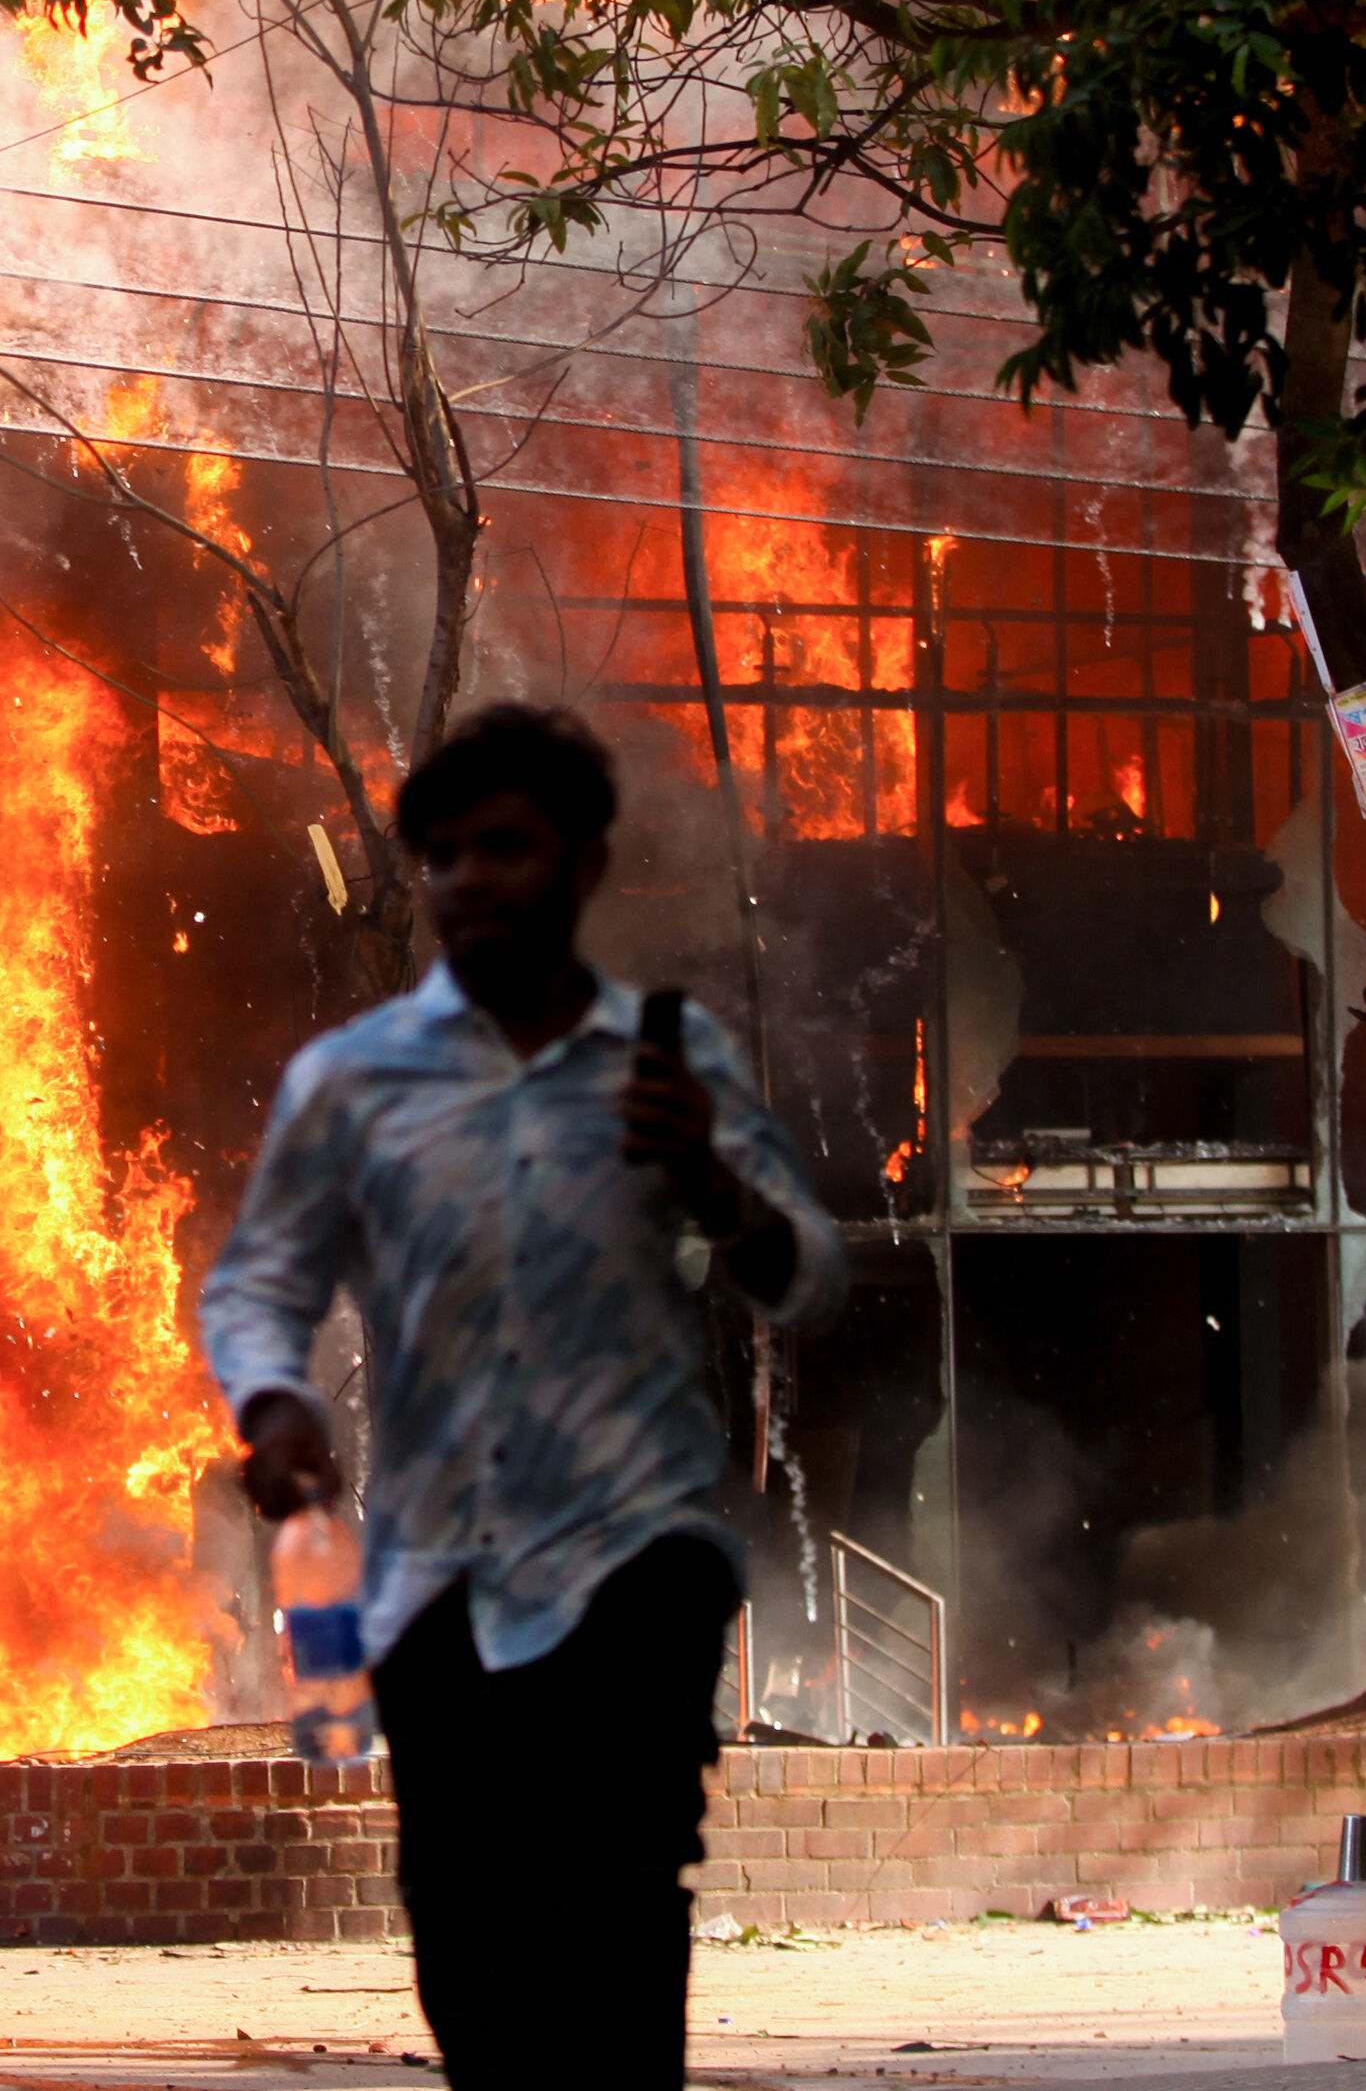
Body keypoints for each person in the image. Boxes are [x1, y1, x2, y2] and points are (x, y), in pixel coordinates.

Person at [195, 704, 842, 2088]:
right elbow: (259, 1285)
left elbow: (806, 1272)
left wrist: (717, 1190)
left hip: (636, 1560)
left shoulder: (669, 1067)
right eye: (438, 856)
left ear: (583, 863)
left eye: (501, 846)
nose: (465, 879)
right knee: (467, 1940)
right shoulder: (354, 1085)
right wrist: (272, 1405)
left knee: (617, 1913)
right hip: (437, 1575)